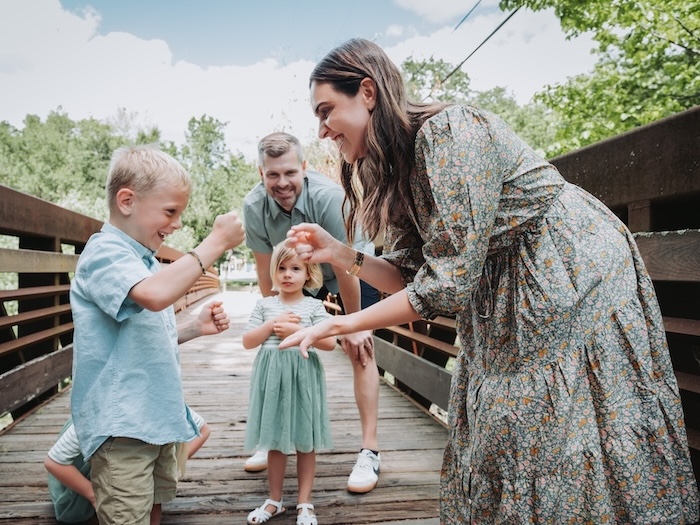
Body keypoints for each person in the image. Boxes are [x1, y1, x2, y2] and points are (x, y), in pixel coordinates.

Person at [279, 38, 700, 524]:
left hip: (570, 276)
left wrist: (345, 323)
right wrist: (341, 254)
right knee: (507, 432)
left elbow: (448, 285)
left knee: (567, 430)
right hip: (503, 294)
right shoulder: (400, 169)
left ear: (368, 92)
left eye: (326, 110)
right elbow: (415, 277)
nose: (322, 128)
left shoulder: (450, 133)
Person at [69, 144, 245, 525]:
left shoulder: (143, 259)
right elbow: (152, 296)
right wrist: (213, 244)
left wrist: (194, 328)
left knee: (154, 509)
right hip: (123, 429)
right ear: (127, 201)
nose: (177, 224)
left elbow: (139, 337)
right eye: (170, 212)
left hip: (156, 420)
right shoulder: (104, 252)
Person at [242, 131, 381, 493]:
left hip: (352, 265)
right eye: (273, 175)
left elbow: (346, 264)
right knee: (279, 346)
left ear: (304, 167)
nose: (282, 182)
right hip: (300, 268)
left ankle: (370, 450)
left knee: (360, 348)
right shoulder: (253, 206)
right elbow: (263, 270)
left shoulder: (329, 198)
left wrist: (352, 325)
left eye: (290, 172)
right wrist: (275, 319)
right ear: (261, 174)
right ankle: (273, 438)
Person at [242, 242, 336, 525]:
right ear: (273, 272)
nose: (287, 274)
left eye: (295, 268)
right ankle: (275, 500)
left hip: (303, 377)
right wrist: (271, 326)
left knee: (305, 440)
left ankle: (305, 502)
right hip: (272, 380)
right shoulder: (265, 305)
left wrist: (299, 330)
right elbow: (248, 341)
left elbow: (330, 342)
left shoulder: (313, 305)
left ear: (308, 273)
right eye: (281, 268)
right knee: (274, 439)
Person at [44, 408, 211, 524]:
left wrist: (172, 464)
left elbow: (203, 429)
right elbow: (54, 461)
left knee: (151, 496)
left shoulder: (167, 407)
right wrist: (93, 495)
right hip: (86, 474)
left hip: (143, 464)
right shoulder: (97, 418)